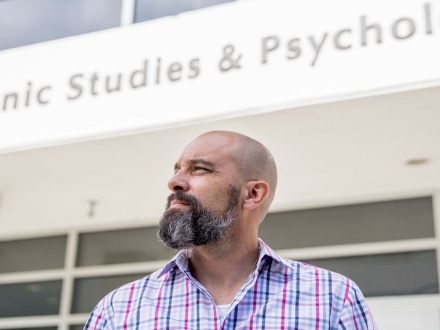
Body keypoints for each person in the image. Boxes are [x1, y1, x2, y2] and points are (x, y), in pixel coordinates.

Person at [84, 131, 377, 329]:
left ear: (252, 195)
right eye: (177, 169)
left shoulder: (333, 297)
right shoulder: (119, 309)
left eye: (199, 169)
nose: (175, 182)